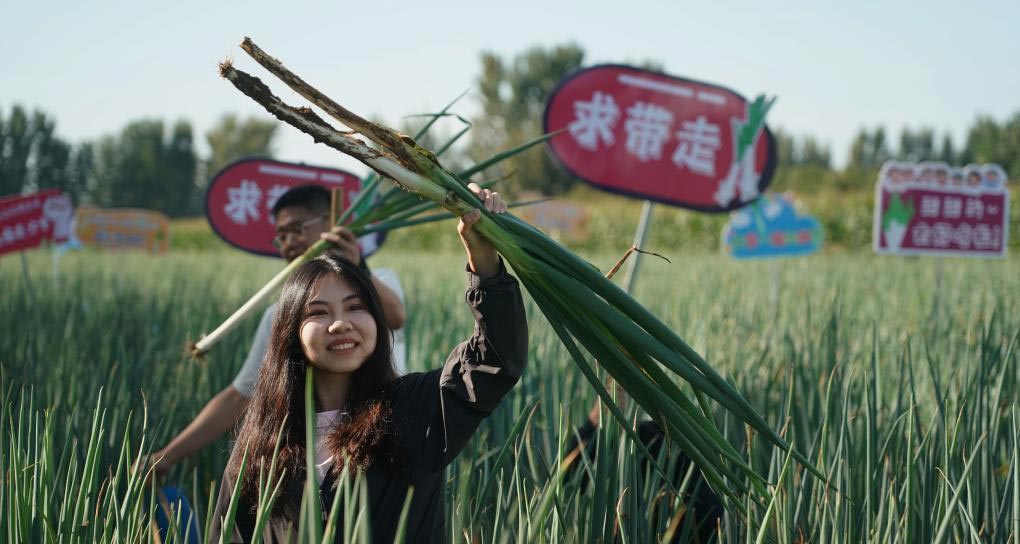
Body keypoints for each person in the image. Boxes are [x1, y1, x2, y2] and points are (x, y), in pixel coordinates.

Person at [208, 184, 526, 542]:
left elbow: (493, 359)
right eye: (318, 312)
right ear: (289, 334)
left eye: (356, 307)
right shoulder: (263, 446)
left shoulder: (414, 409)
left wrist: (484, 263)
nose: (340, 322)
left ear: (375, 321)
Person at [150, 184, 407, 478]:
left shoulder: (379, 281)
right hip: (318, 456)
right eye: (281, 236)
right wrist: (167, 456)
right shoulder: (280, 314)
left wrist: (356, 266)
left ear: (330, 223)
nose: (289, 243)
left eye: (297, 229)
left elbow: (395, 317)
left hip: (383, 438)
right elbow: (240, 395)